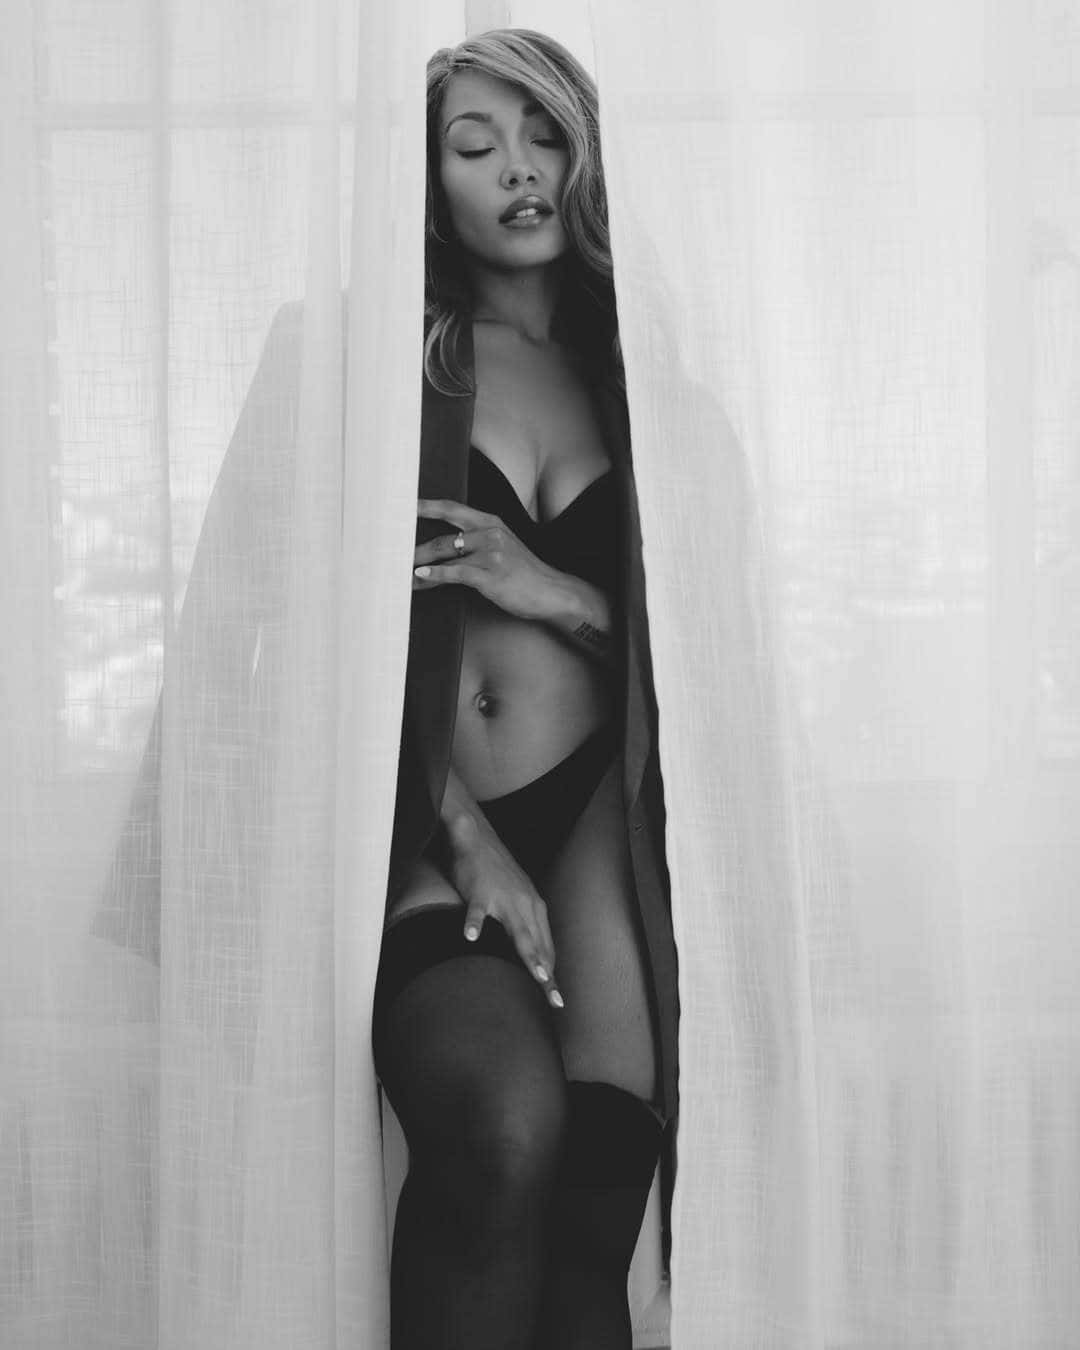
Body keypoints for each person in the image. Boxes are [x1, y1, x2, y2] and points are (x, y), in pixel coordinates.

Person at [370, 28, 680, 1350]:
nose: (519, 169)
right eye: (474, 144)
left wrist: (552, 588)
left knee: (597, 1210)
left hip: (599, 817)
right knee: (500, 1130)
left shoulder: (647, 379)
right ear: (427, 182)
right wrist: (464, 837)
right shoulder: (370, 362)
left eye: (546, 135)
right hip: (430, 817)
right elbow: (292, 637)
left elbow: (697, 661)